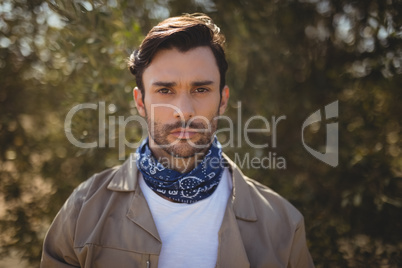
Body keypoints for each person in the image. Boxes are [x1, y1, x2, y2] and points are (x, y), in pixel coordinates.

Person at [41, 13, 315, 268]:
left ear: (222, 100)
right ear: (140, 101)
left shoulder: (282, 225)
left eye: (201, 89)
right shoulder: (83, 210)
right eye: (164, 90)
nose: (183, 110)